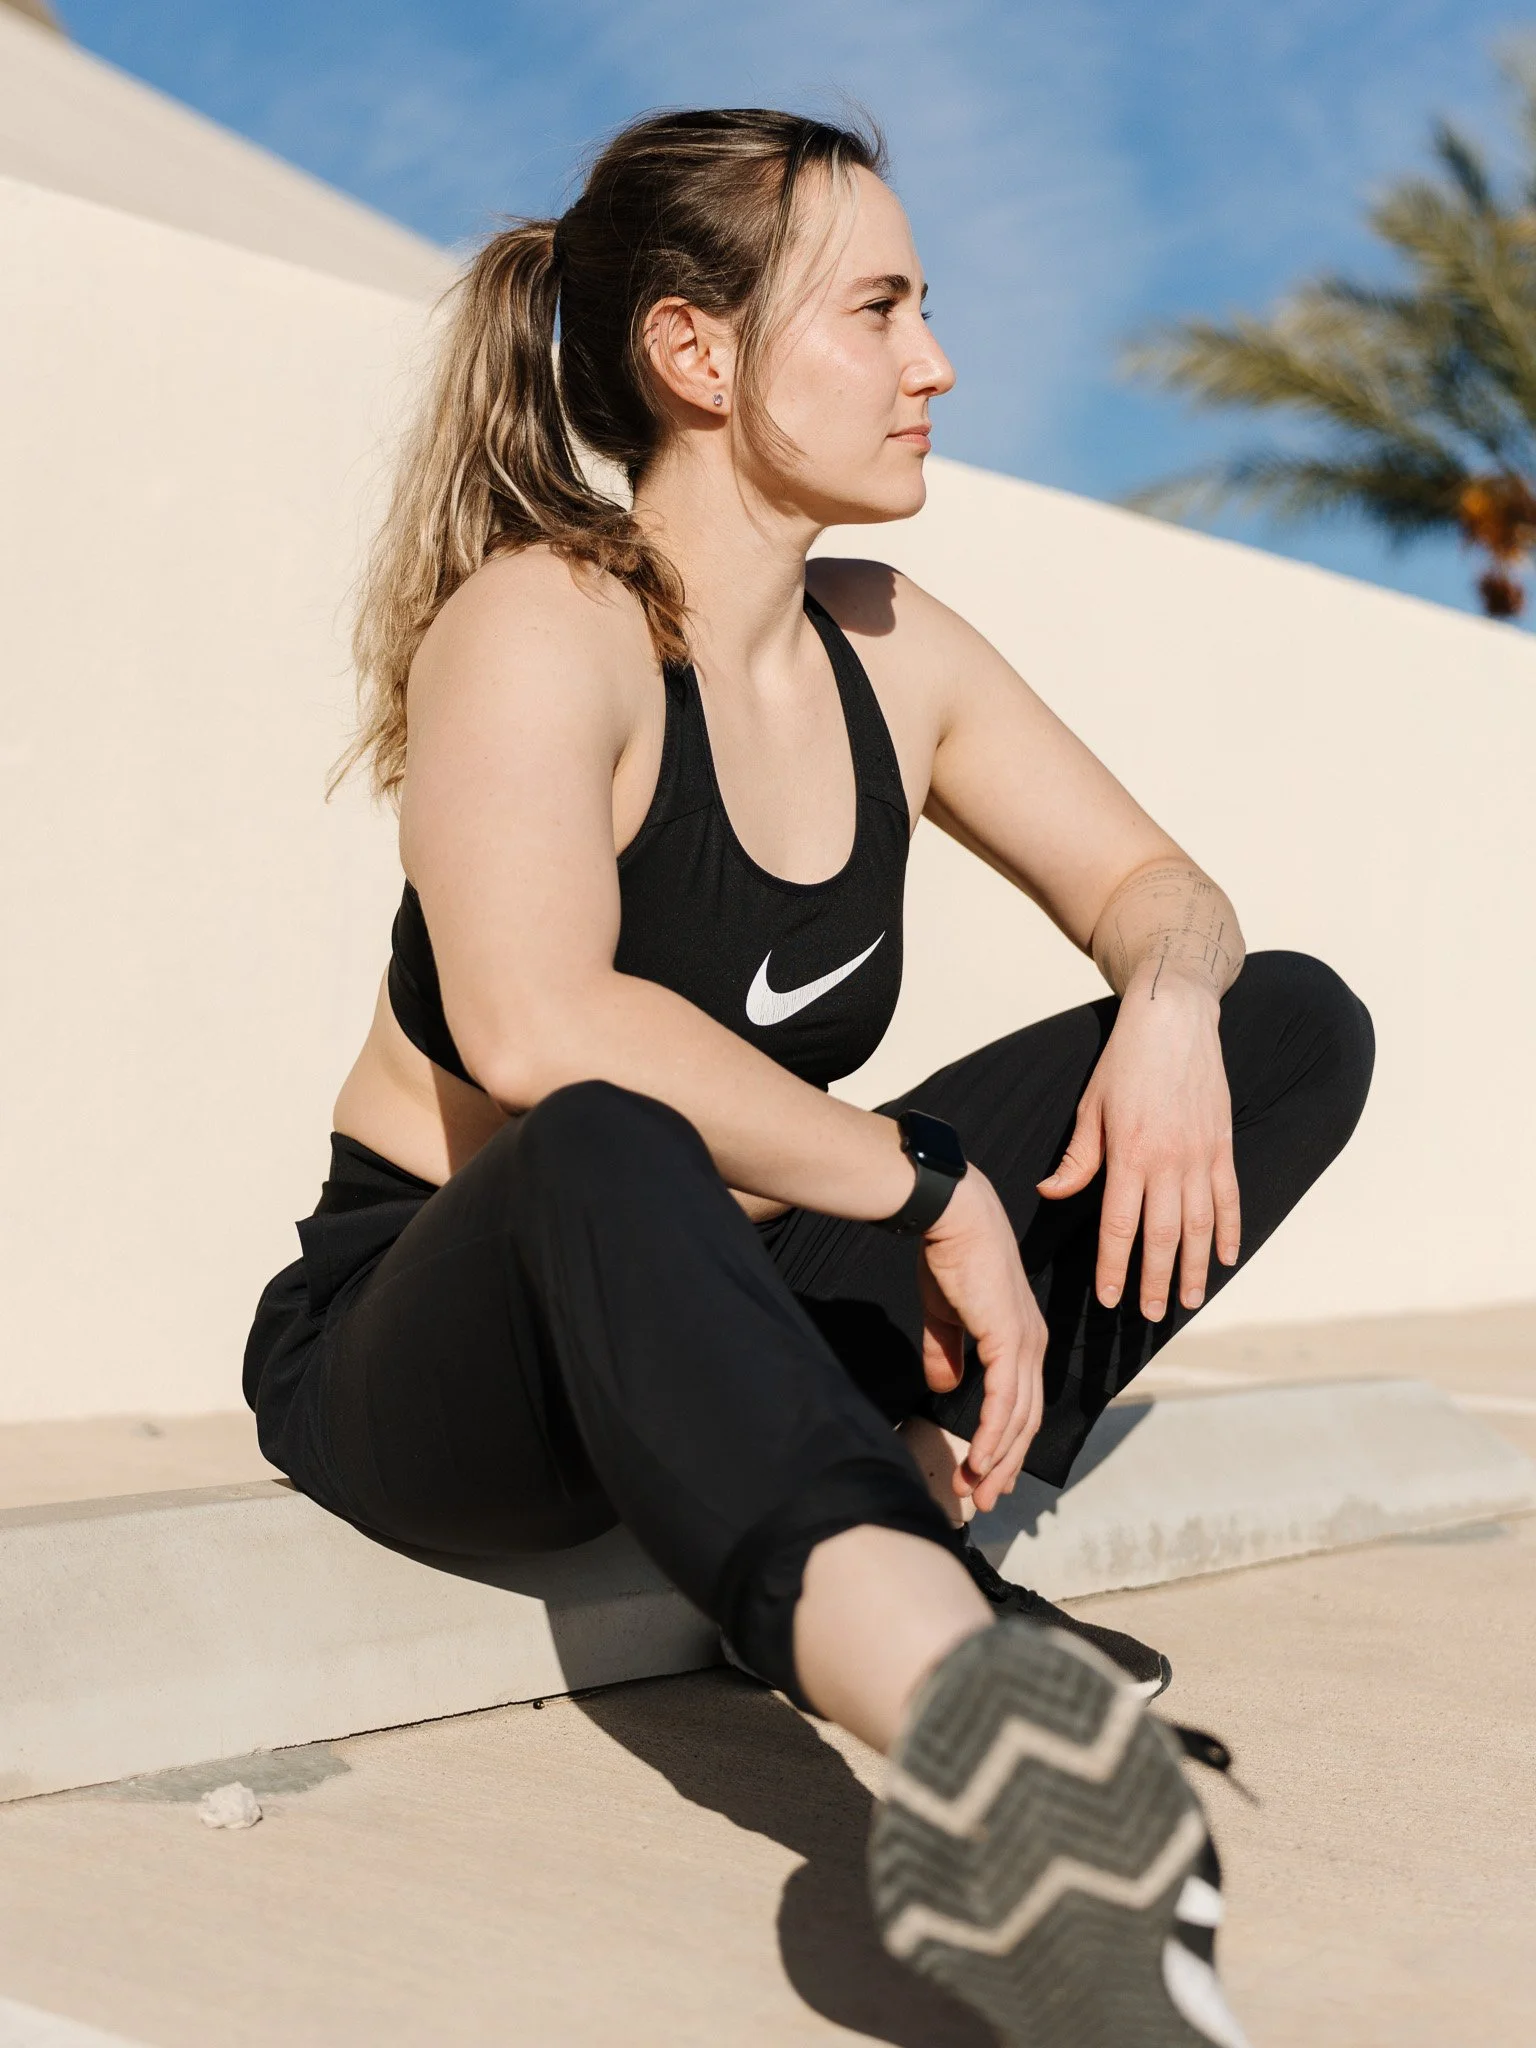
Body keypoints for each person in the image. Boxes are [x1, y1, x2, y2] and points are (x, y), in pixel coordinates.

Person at [244, 106, 1372, 2047]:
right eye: (877, 310)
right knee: (608, 1130)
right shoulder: (542, 625)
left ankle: (920, 1493)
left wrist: (1172, 1003)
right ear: (698, 355)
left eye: (925, 306)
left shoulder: (887, 648)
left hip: (743, 1283)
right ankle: (971, 1712)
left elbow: (1163, 893)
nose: (934, 362)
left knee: (1290, 1026)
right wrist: (923, 1183)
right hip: (451, 1332)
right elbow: (530, 1026)